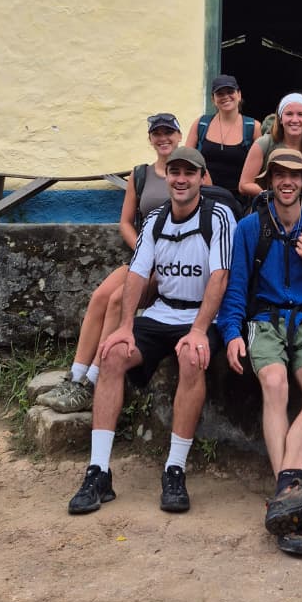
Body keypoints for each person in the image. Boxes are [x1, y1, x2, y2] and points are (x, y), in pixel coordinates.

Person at [67, 147, 235, 515]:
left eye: (188, 173)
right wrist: (125, 326)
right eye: (174, 172)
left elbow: (220, 275)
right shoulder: (156, 219)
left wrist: (199, 330)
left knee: (192, 357)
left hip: (202, 316)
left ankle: (174, 469)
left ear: (202, 178)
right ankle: (98, 472)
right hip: (162, 313)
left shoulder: (218, 215)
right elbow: (138, 273)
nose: (180, 179)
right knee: (111, 355)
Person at [218, 147, 302, 556]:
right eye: (279, 175)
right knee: (274, 383)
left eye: (295, 176)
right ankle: (294, 503)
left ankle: (284, 496)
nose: (287, 183)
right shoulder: (250, 227)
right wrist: (231, 332)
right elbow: (237, 285)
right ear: (269, 180)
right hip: (265, 321)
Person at [40, 112, 187, 413]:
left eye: (168, 133)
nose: (163, 138)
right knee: (100, 297)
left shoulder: (190, 173)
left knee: (120, 301)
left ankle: (92, 382)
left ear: (179, 136)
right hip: (142, 258)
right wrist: (144, 251)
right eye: (157, 134)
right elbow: (125, 222)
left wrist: (163, 258)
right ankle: (75, 375)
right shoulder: (141, 174)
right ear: (150, 139)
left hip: (172, 264)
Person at [239, 92, 302, 209]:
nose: (295, 119)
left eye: (301, 114)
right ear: (280, 119)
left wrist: (296, 198)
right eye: (289, 114)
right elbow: (244, 185)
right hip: (266, 207)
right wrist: (274, 195)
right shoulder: (264, 143)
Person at [185, 74, 261, 204]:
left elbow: (262, 168)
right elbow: (186, 160)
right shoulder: (201, 124)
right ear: (213, 99)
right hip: (203, 200)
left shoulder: (253, 127)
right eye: (220, 93)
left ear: (239, 95)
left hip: (239, 203)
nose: (225, 96)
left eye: (230, 92)